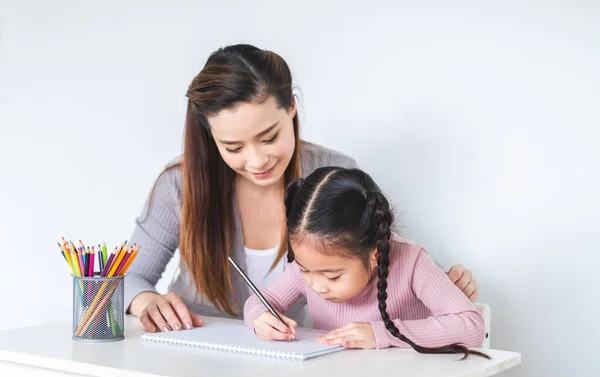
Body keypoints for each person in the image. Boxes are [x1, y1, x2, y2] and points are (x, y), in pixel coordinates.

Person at [125, 44, 479, 333]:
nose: (256, 160)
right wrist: (143, 299)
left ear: (291, 108)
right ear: (210, 136)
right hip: (194, 349)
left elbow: (374, 256)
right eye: (233, 148)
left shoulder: (332, 173)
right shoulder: (179, 184)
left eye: (269, 137)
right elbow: (123, 277)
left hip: (292, 359)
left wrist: (443, 280)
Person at [245, 167, 488, 359]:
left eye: (332, 277)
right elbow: (259, 301)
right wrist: (260, 318)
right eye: (306, 270)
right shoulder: (308, 268)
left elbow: (471, 325)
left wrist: (382, 334)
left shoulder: (411, 262)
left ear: (374, 255)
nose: (317, 286)